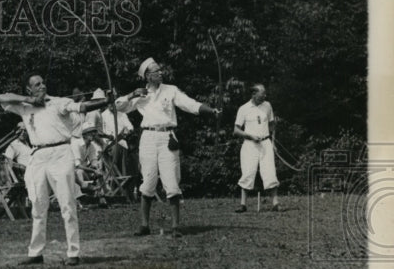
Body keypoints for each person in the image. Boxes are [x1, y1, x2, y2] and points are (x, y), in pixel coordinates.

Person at [0, 74, 111, 265]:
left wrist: (105, 101)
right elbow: (1, 97)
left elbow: (82, 107)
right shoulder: (25, 107)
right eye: (36, 84)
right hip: (38, 155)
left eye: (43, 83)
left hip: (61, 153)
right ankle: (35, 253)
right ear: (29, 90)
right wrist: (29, 100)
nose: (42, 86)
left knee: (67, 203)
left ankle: (73, 253)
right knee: (38, 205)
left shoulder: (58, 102)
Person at [115, 57, 220, 237]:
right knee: (147, 181)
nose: (161, 73)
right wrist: (132, 94)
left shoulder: (170, 90)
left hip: (167, 137)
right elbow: (119, 106)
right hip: (148, 137)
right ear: (148, 76)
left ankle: (175, 227)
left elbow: (189, 103)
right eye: (156, 71)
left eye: (160, 70)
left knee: (171, 182)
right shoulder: (140, 95)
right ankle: (144, 225)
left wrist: (210, 110)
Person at [233, 83, 280, 212]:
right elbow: (236, 131)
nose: (263, 97)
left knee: (270, 172)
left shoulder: (267, 105)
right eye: (261, 95)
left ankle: (275, 204)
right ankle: (243, 205)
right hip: (250, 145)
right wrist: (250, 136)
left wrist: (273, 143)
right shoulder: (243, 108)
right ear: (253, 94)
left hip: (266, 144)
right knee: (248, 173)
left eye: (264, 95)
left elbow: (272, 125)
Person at [87, 87, 135, 177]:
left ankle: (122, 180)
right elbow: (98, 132)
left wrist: (127, 131)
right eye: (109, 103)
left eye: (113, 103)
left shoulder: (122, 113)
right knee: (111, 157)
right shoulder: (102, 115)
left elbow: (130, 127)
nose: (111, 105)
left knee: (124, 162)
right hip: (109, 144)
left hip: (122, 142)